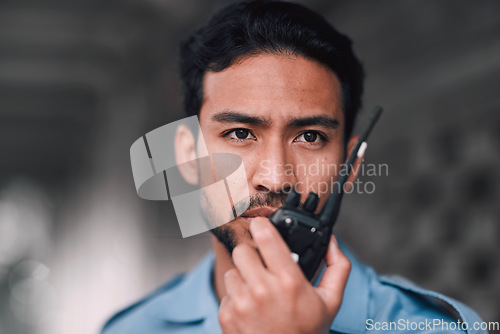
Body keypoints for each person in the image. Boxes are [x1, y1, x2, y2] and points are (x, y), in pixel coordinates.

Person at [102, 1, 485, 333]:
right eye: (239, 133)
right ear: (187, 157)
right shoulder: (133, 329)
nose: (274, 177)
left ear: (349, 168)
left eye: (310, 137)